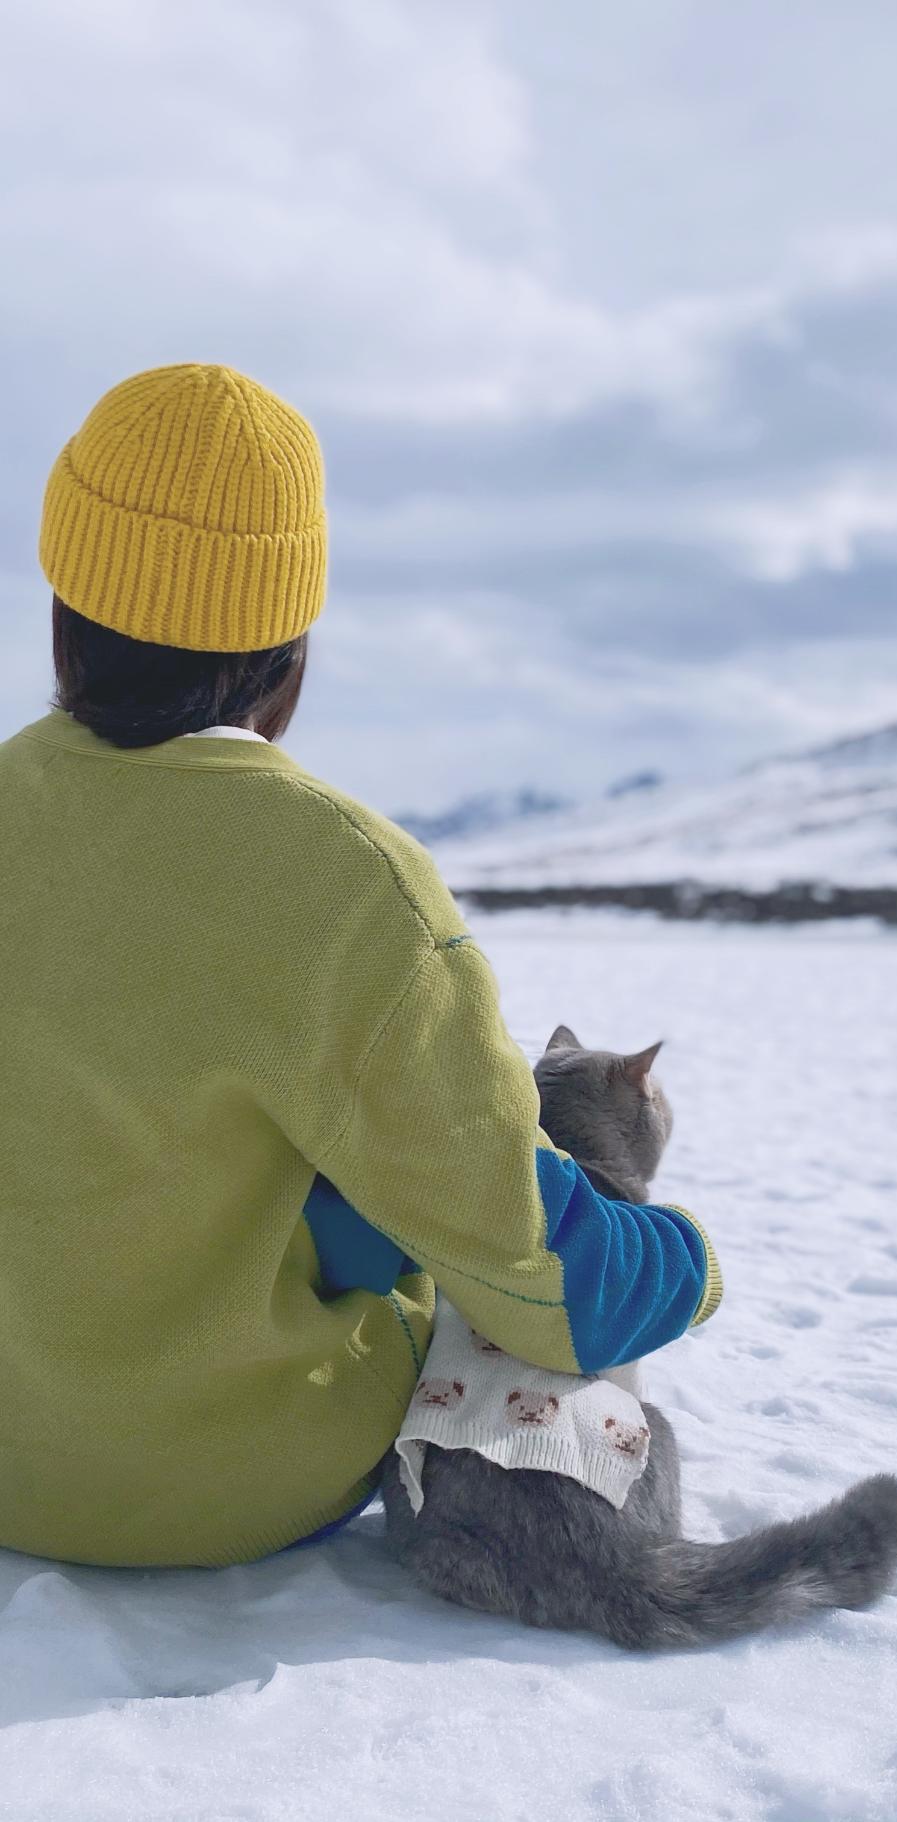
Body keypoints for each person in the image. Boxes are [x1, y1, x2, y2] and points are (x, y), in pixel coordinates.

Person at [0, 364, 722, 1569]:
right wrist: (688, 1263)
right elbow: (545, 1283)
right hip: (226, 1486)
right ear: (287, 658)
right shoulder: (352, 886)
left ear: (64, 606)